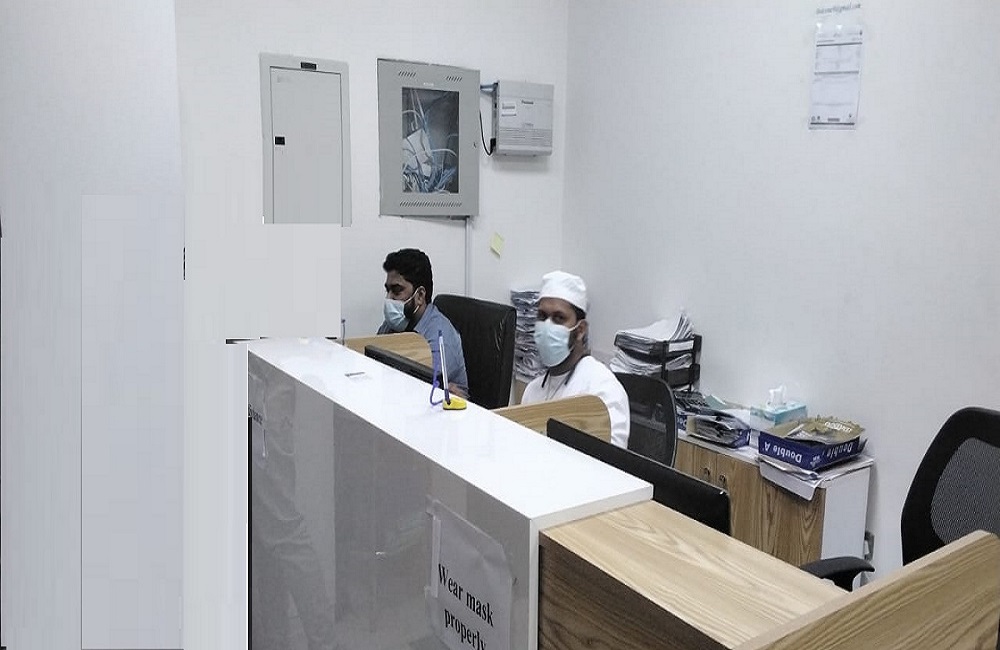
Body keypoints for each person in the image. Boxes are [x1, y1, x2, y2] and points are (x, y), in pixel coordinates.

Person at [521, 271, 630, 448]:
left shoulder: (602, 390)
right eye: (542, 316)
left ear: (580, 330)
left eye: (559, 318)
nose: (547, 326)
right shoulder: (532, 391)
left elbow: (611, 461)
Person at [377, 248, 469, 396]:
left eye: (396, 290)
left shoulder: (441, 336)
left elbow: (421, 389)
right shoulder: (394, 323)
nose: (389, 298)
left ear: (420, 295)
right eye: (387, 290)